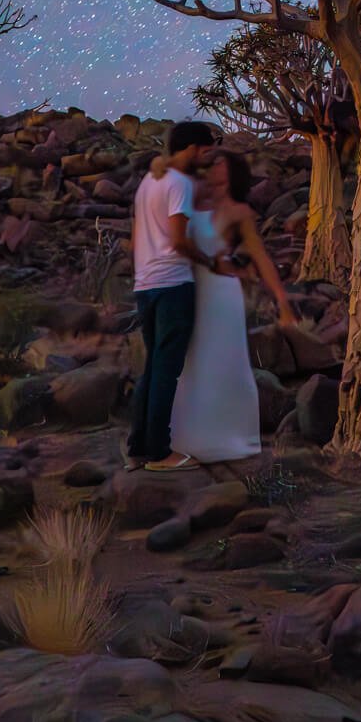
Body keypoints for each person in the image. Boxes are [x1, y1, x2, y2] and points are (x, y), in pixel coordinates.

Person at [169, 147, 297, 466]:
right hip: (191, 288)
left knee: (223, 363)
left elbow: (261, 257)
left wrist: (282, 301)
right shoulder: (191, 199)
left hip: (222, 296)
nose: (212, 167)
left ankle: (227, 438)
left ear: (231, 172)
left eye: (219, 163)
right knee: (191, 364)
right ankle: (188, 438)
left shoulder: (239, 211)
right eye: (211, 162)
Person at [125, 120, 214, 472]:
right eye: (206, 150)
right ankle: (160, 453)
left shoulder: (149, 182)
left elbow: (135, 240)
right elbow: (178, 239)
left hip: (146, 284)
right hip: (173, 283)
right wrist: (206, 261)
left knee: (152, 367)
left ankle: (138, 446)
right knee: (166, 370)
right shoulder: (179, 183)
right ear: (191, 147)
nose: (208, 157)